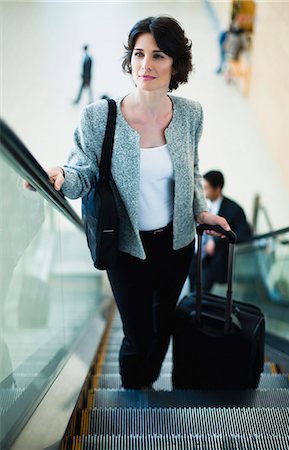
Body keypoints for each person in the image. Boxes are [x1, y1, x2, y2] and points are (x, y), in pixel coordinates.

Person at [25, 16, 230, 389]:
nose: (145, 65)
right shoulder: (99, 118)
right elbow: (82, 171)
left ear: (176, 64)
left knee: (163, 322)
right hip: (125, 247)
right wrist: (61, 177)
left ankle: (149, 381)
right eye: (138, 54)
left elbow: (193, 166)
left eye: (158, 55)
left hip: (176, 243)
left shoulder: (189, 114)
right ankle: (135, 390)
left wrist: (200, 209)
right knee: (138, 334)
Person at [189, 170, 252, 292]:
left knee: (201, 294)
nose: (203, 191)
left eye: (206, 188)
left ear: (218, 189)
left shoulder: (234, 209)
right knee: (191, 291)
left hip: (212, 262)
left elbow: (245, 234)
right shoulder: (200, 204)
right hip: (194, 256)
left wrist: (217, 241)